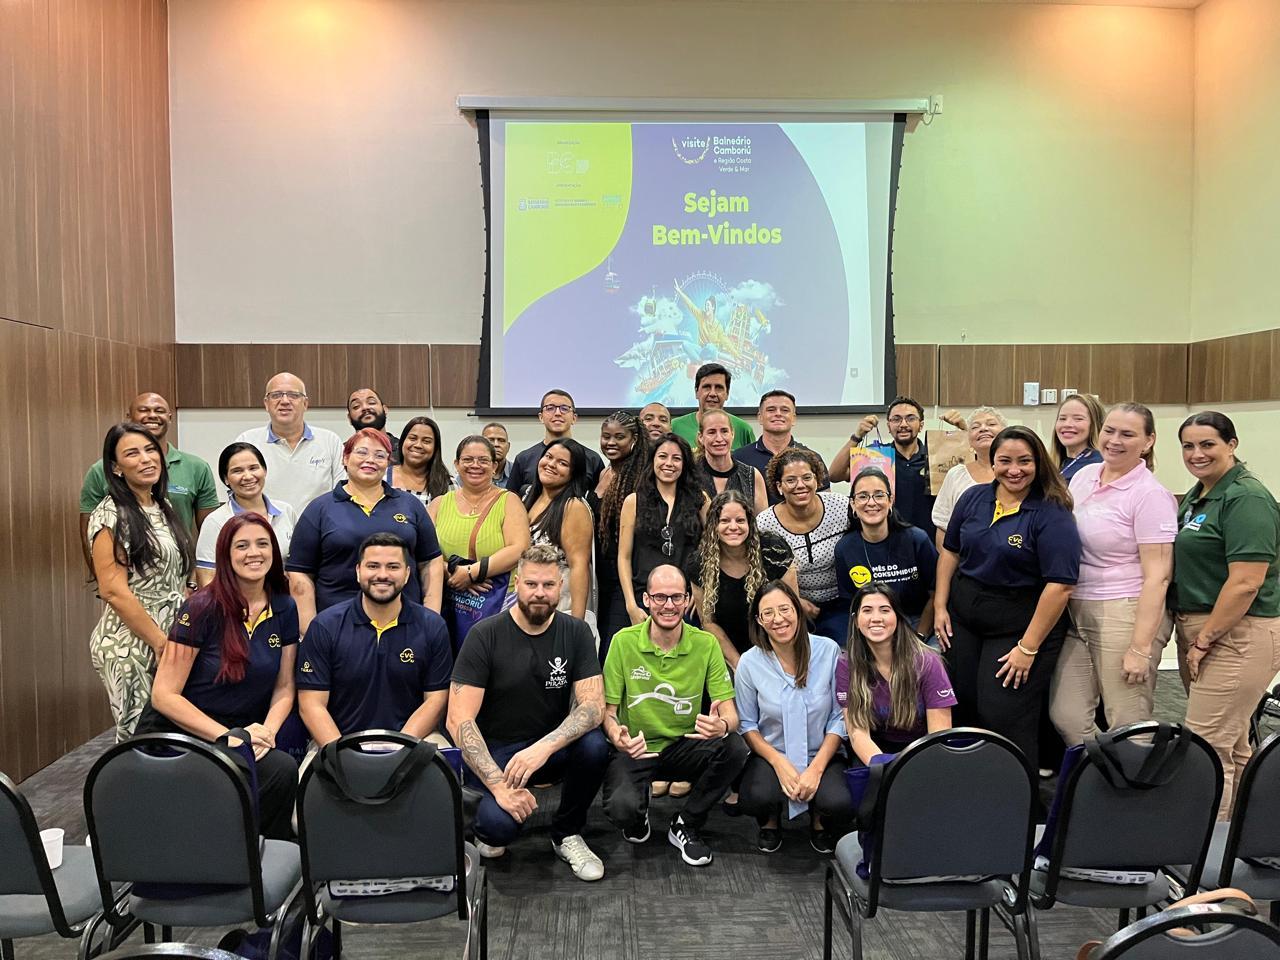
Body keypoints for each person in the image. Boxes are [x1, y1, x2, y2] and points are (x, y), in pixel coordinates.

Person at [448, 545, 609, 880]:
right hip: (497, 752)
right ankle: (490, 818)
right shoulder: (485, 635)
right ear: (517, 583)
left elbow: (593, 707)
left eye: (548, 585)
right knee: (497, 830)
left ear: (560, 585)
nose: (540, 593)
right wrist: (499, 786)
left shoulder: (575, 632)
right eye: (532, 584)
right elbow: (458, 720)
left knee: (595, 744)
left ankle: (567, 833)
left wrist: (542, 748)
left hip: (548, 747)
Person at [141, 514, 299, 839]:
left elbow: (285, 686)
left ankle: (259, 862)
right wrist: (227, 736)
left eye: (262, 544)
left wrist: (266, 733)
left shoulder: (284, 606)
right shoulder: (201, 607)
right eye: (241, 545)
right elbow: (164, 695)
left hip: (243, 730)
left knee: (281, 769)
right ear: (226, 555)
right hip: (184, 730)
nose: (253, 553)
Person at [934, 426, 1080, 776]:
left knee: (1003, 712)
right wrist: (940, 605)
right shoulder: (973, 498)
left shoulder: (1051, 512)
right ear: (991, 461)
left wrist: (1028, 649)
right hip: (965, 618)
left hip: (1019, 627)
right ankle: (972, 785)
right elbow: (950, 553)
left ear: (1039, 463)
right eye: (1005, 461)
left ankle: (1019, 797)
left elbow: (1060, 586)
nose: (1014, 470)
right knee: (964, 703)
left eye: (1024, 461)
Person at [601, 565, 749, 867]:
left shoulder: (705, 643)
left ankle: (686, 823)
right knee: (621, 810)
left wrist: (721, 724)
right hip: (638, 748)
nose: (668, 605)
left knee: (735, 747)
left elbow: (731, 714)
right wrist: (615, 734)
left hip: (685, 744)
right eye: (660, 597)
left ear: (686, 600)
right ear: (646, 600)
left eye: (676, 597)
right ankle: (638, 811)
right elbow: (608, 712)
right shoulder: (623, 642)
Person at [1171, 412, 1280, 818]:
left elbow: (1246, 583)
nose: (1196, 454)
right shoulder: (1203, 494)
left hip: (1237, 633)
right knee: (1232, 745)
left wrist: (1204, 640)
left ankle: (1201, 856)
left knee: (1205, 747)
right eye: (1188, 446)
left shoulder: (1246, 498)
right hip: (1205, 629)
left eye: (1207, 444)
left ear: (1232, 445)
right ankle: (1243, 838)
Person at [1049, 402, 1176, 748]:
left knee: (1129, 722)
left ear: (1148, 442)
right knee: (1068, 715)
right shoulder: (1085, 476)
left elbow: (1158, 577)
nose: (1115, 440)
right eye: (1110, 431)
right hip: (1078, 611)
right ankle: (1103, 782)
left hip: (1125, 611)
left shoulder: (1150, 495)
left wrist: (1140, 648)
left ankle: (1137, 796)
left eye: (1128, 434)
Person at [88, 422, 196, 741]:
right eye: (132, 453)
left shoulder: (161, 506)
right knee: (141, 738)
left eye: (150, 450)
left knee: (172, 733)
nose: (146, 459)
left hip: (170, 638)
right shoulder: (110, 513)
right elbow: (112, 590)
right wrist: (159, 641)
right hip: (131, 644)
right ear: (116, 468)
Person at [297, 533, 453, 744]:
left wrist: (398, 749)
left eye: (393, 567)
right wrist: (344, 756)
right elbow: (311, 705)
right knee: (303, 776)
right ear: (358, 572)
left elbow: (436, 700)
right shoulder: (325, 626)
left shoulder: (433, 626)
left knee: (447, 769)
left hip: (413, 741)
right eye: (373, 566)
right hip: (337, 743)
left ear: (407, 574)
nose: (382, 574)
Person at [288, 428, 444, 633]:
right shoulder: (320, 509)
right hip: (336, 627)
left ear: (388, 462)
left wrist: (431, 619)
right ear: (345, 458)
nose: (370, 460)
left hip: (405, 627)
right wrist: (311, 631)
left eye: (379, 455)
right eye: (361, 452)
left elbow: (431, 562)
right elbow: (299, 573)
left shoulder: (410, 506)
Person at [736, 580, 851, 854]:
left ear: (798, 611)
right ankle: (770, 820)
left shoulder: (828, 650)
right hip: (773, 752)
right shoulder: (749, 663)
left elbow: (839, 717)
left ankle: (820, 820)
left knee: (840, 802)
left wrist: (817, 768)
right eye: (768, 613)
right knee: (756, 797)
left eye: (785, 609)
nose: (778, 619)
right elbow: (747, 724)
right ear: (759, 621)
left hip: (821, 752)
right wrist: (778, 762)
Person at [80, 392, 217, 575]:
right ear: (129, 417)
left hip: (181, 582)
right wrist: (104, 581)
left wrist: (195, 581)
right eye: (144, 410)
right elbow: (88, 530)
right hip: (128, 583)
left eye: (159, 410)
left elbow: (209, 532)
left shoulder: (196, 468)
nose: (152, 415)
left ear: (170, 417)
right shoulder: (100, 472)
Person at [429, 435, 531, 647]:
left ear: (494, 466)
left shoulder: (509, 501)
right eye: (467, 459)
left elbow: (519, 549)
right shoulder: (439, 504)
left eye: (483, 460)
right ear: (456, 464)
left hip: (499, 604)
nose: (475, 465)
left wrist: (471, 573)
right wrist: (452, 573)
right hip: (448, 603)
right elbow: (423, 552)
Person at [837, 583, 956, 761]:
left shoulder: (928, 662)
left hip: (925, 750)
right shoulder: (847, 664)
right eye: (867, 610)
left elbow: (939, 736)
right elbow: (857, 734)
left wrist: (907, 770)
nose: (876, 618)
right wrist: (884, 766)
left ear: (898, 618)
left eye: (885, 610)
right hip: (876, 751)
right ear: (856, 621)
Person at [695, 490, 797, 670]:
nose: (733, 527)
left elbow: (793, 611)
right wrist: (739, 663)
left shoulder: (774, 551)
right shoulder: (699, 563)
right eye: (724, 521)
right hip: (728, 653)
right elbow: (708, 622)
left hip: (778, 645)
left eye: (740, 520)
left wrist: (776, 661)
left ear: (750, 523)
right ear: (713, 525)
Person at [832, 397, 959, 540]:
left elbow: (977, 466)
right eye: (896, 419)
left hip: (930, 541)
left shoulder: (937, 457)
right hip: (886, 541)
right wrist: (857, 436)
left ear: (921, 425)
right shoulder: (876, 457)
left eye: (910, 418)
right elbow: (835, 475)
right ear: (888, 426)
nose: (903, 424)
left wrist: (964, 429)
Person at [757, 449, 849, 642]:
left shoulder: (841, 507)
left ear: (817, 480)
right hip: (790, 605)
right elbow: (761, 574)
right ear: (779, 486)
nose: (800, 485)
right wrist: (794, 601)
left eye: (807, 477)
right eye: (790, 480)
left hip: (842, 603)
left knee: (841, 654)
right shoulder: (765, 523)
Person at [617, 432, 709, 626]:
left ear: (684, 465)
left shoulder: (700, 500)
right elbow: (624, 557)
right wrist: (630, 605)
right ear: (652, 461)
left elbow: (711, 550)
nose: (669, 463)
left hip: (686, 602)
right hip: (644, 599)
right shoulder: (633, 501)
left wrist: (700, 590)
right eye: (662, 456)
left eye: (677, 458)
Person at [835, 468, 938, 635]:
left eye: (879, 495)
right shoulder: (844, 548)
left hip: (915, 622)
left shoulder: (917, 539)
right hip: (872, 625)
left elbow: (935, 594)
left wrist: (921, 636)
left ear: (891, 501)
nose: (871, 502)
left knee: (928, 660)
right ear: (853, 504)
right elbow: (851, 605)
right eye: (862, 496)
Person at [195, 442, 299, 587]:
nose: (248, 476)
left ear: (264, 470)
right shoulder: (216, 521)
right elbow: (207, 578)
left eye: (253, 468)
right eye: (237, 471)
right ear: (226, 479)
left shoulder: (286, 511)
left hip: (282, 602)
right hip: (235, 605)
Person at [235, 372, 345, 510]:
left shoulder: (330, 441)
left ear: (305, 404)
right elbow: (237, 494)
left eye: (293, 395)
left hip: (318, 528)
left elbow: (341, 495)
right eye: (276, 395)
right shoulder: (247, 442)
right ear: (266, 404)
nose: (285, 401)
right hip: (264, 528)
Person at [593, 411, 649, 660]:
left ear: (634, 439)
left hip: (623, 579)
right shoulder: (604, 473)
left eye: (619, 437)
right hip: (599, 578)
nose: (611, 442)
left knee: (612, 651)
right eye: (606, 436)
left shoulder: (639, 478)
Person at [523, 439, 595, 624]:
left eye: (562, 463)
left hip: (561, 605)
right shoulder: (530, 496)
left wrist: (576, 623)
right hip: (529, 602)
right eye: (548, 457)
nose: (551, 465)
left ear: (573, 473)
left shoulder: (574, 506)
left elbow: (579, 565)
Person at [931, 406, 1008, 550]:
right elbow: (943, 526)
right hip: (964, 565)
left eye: (991, 424)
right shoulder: (955, 475)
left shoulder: (1015, 473)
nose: (983, 429)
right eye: (975, 427)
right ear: (968, 439)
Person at [733, 389, 829, 505]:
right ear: (760, 417)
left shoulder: (812, 459)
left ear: (793, 418)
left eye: (784, 410)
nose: (778, 414)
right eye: (771, 410)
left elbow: (825, 504)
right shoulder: (739, 458)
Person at [505, 389, 605, 494]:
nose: (557, 413)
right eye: (550, 408)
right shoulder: (524, 459)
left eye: (564, 409)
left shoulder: (592, 459)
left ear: (574, 418)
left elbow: (599, 503)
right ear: (541, 417)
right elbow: (510, 500)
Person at [694, 409, 768, 513]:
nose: (719, 438)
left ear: (732, 434)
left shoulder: (751, 476)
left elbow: (761, 526)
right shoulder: (689, 474)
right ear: (700, 437)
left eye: (724, 431)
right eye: (712, 432)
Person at [669, 363, 755, 450]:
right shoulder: (675, 427)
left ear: (727, 394)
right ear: (696, 392)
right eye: (707, 387)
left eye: (718, 388)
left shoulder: (743, 430)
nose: (713, 393)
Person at [390, 416, 453, 507]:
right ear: (402, 441)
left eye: (426, 441)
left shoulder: (447, 483)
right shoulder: (381, 478)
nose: (418, 445)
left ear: (435, 448)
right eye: (413, 438)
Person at [1051, 393, 1106, 482]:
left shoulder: (1099, 466)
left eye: (1078, 419)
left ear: (1095, 424)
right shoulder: (1052, 464)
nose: (1067, 424)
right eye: (1062, 418)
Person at [346, 387, 399, 461]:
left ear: (385, 410)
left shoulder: (404, 450)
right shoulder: (341, 452)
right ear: (349, 418)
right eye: (356, 406)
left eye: (371, 403)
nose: (365, 407)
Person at [482, 422, 514, 488]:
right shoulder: (472, 472)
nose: (496, 444)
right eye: (490, 440)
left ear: (508, 447)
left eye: (501, 440)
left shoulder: (518, 471)